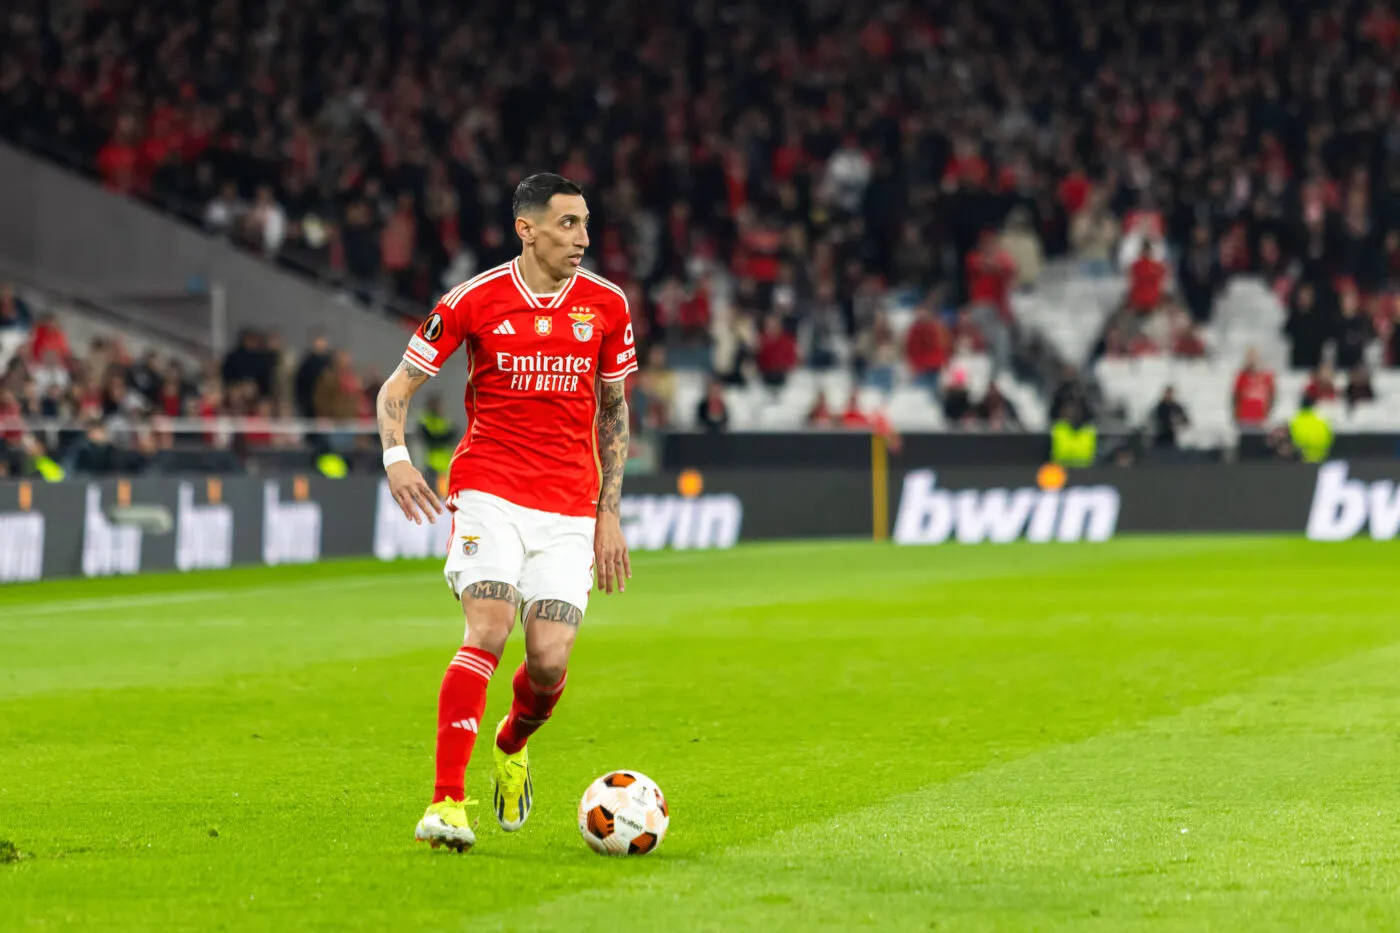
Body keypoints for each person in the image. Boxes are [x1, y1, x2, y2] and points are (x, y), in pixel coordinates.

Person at [374, 174, 637, 853]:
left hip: (571, 505)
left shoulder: (606, 305)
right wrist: (396, 456)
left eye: (585, 224)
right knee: (489, 624)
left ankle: (511, 743)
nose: (583, 238)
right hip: (489, 489)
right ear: (527, 228)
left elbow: (614, 412)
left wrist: (609, 512)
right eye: (568, 224)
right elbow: (397, 387)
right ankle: (446, 801)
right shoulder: (473, 300)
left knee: (548, 661)